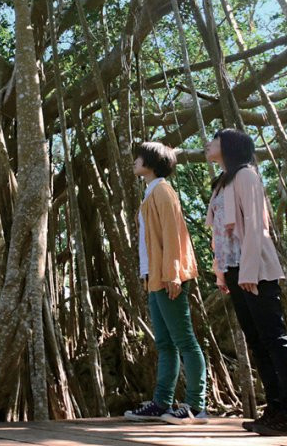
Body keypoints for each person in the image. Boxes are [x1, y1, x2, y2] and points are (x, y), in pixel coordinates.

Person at [205, 128, 287, 437]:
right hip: (235, 269)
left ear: (229, 146)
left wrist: (249, 272)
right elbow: (220, 235)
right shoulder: (221, 183)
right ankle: (275, 408)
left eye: (214, 140)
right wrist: (221, 271)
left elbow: (255, 226)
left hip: (256, 270)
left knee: (274, 339)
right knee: (256, 340)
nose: (208, 145)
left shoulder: (246, 176)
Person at [123, 141, 209, 425]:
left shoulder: (162, 190)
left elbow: (173, 234)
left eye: (139, 157)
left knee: (184, 340)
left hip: (168, 276)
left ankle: (197, 405)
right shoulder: (151, 192)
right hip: (154, 277)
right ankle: (162, 403)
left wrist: (173, 273)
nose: (135, 160)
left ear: (151, 161)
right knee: (165, 344)